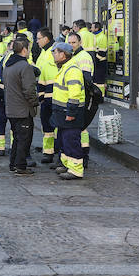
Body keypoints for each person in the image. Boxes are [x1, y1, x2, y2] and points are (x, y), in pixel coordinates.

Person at [1, 38, 37, 174]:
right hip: (22, 109)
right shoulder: (25, 66)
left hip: (11, 108)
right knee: (24, 139)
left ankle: (14, 163)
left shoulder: (8, 65)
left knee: (16, 138)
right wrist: (35, 102)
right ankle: (20, 165)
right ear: (24, 50)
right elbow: (29, 89)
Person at [50, 42, 85, 180]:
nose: (53, 54)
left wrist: (71, 113)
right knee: (65, 140)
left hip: (69, 113)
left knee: (71, 140)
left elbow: (74, 95)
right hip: (62, 111)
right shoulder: (65, 68)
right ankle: (67, 165)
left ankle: (76, 170)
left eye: (55, 52)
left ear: (63, 54)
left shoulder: (72, 70)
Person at [66, 32, 94, 163]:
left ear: (80, 43)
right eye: (69, 43)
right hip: (75, 97)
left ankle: (84, 155)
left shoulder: (84, 56)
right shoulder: (73, 56)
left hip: (82, 97)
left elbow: (86, 80)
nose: (71, 45)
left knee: (81, 129)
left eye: (74, 43)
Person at [34, 29, 58, 163]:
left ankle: (54, 150)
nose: (37, 41)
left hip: (54, 95)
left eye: (39, 38)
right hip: (45, 94)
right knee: (46, 125)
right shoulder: (44, 52)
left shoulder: (53, 52)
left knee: (53, 125)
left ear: (46, 39)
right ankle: (48, 150)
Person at [90, 21, 108, 93]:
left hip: (100, 62)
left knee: (100, 81)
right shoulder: (93, 36)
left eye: (92, 27)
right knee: (95, 81)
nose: (91, 29)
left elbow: (102, 52)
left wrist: (95, 60)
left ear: (96, 28)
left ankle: (101, 96)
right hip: (95, 62)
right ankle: (96, 96)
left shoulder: (102, 37)